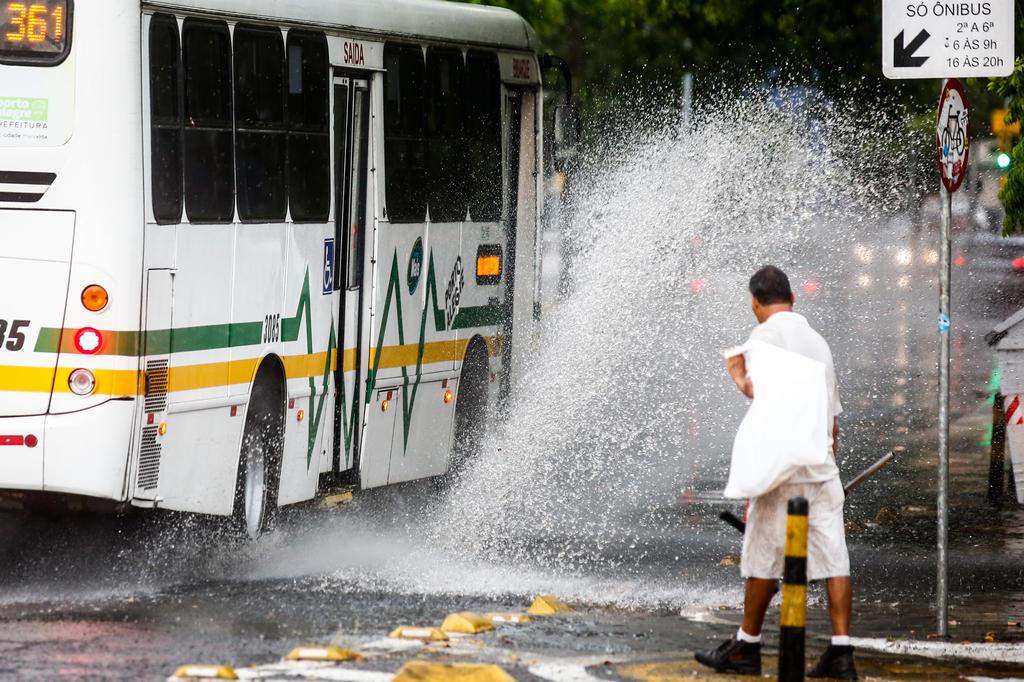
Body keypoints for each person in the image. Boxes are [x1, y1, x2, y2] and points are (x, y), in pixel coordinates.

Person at [695, 265, 856, 680]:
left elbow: (760, 393)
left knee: (762, 556)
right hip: (820, 465)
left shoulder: (762, 338)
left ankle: (746, 645)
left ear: (755, 303)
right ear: (793, 298)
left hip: (780, 468)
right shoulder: (819, 342)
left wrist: (736, 373)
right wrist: (826, 459)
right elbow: (833, 419)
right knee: (834, 556)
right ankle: (842, 652)